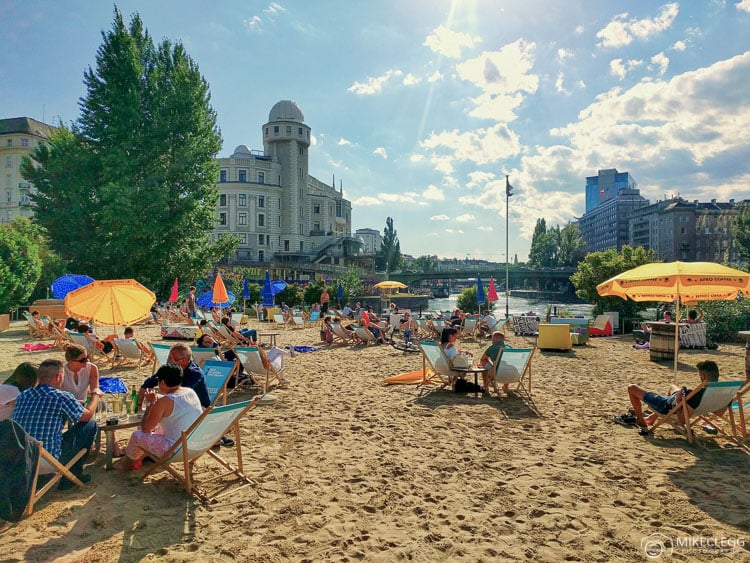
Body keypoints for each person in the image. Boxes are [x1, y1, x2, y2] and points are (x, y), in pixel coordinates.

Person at [12, 359, 100, 488]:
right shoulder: (60, 396)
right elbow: (86, 416)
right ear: (58, 377)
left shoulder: (23, 396)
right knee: (90, 425)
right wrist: (95, 396)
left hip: (20, 457)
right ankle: (72, 476)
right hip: (46, 459)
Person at [115, 364, 203, 471]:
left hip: (176, 450)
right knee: (158, 428)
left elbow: (145, 429)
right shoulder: (190, 392)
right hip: (196, 444)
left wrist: (150, 404)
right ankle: (141, 456)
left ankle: (128, 464)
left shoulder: (165, 401)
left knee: (137, 435)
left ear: (162, 382)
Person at [626, 360, 721, 431]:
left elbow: (682, 421)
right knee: (672, 387)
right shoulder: (723, 392)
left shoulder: (696, 395)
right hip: (686, 403)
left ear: (703, 376)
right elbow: (719, 413)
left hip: (667, 406)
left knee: (632, 388)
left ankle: (640, 419)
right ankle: (651, 418)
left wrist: (680, 401)